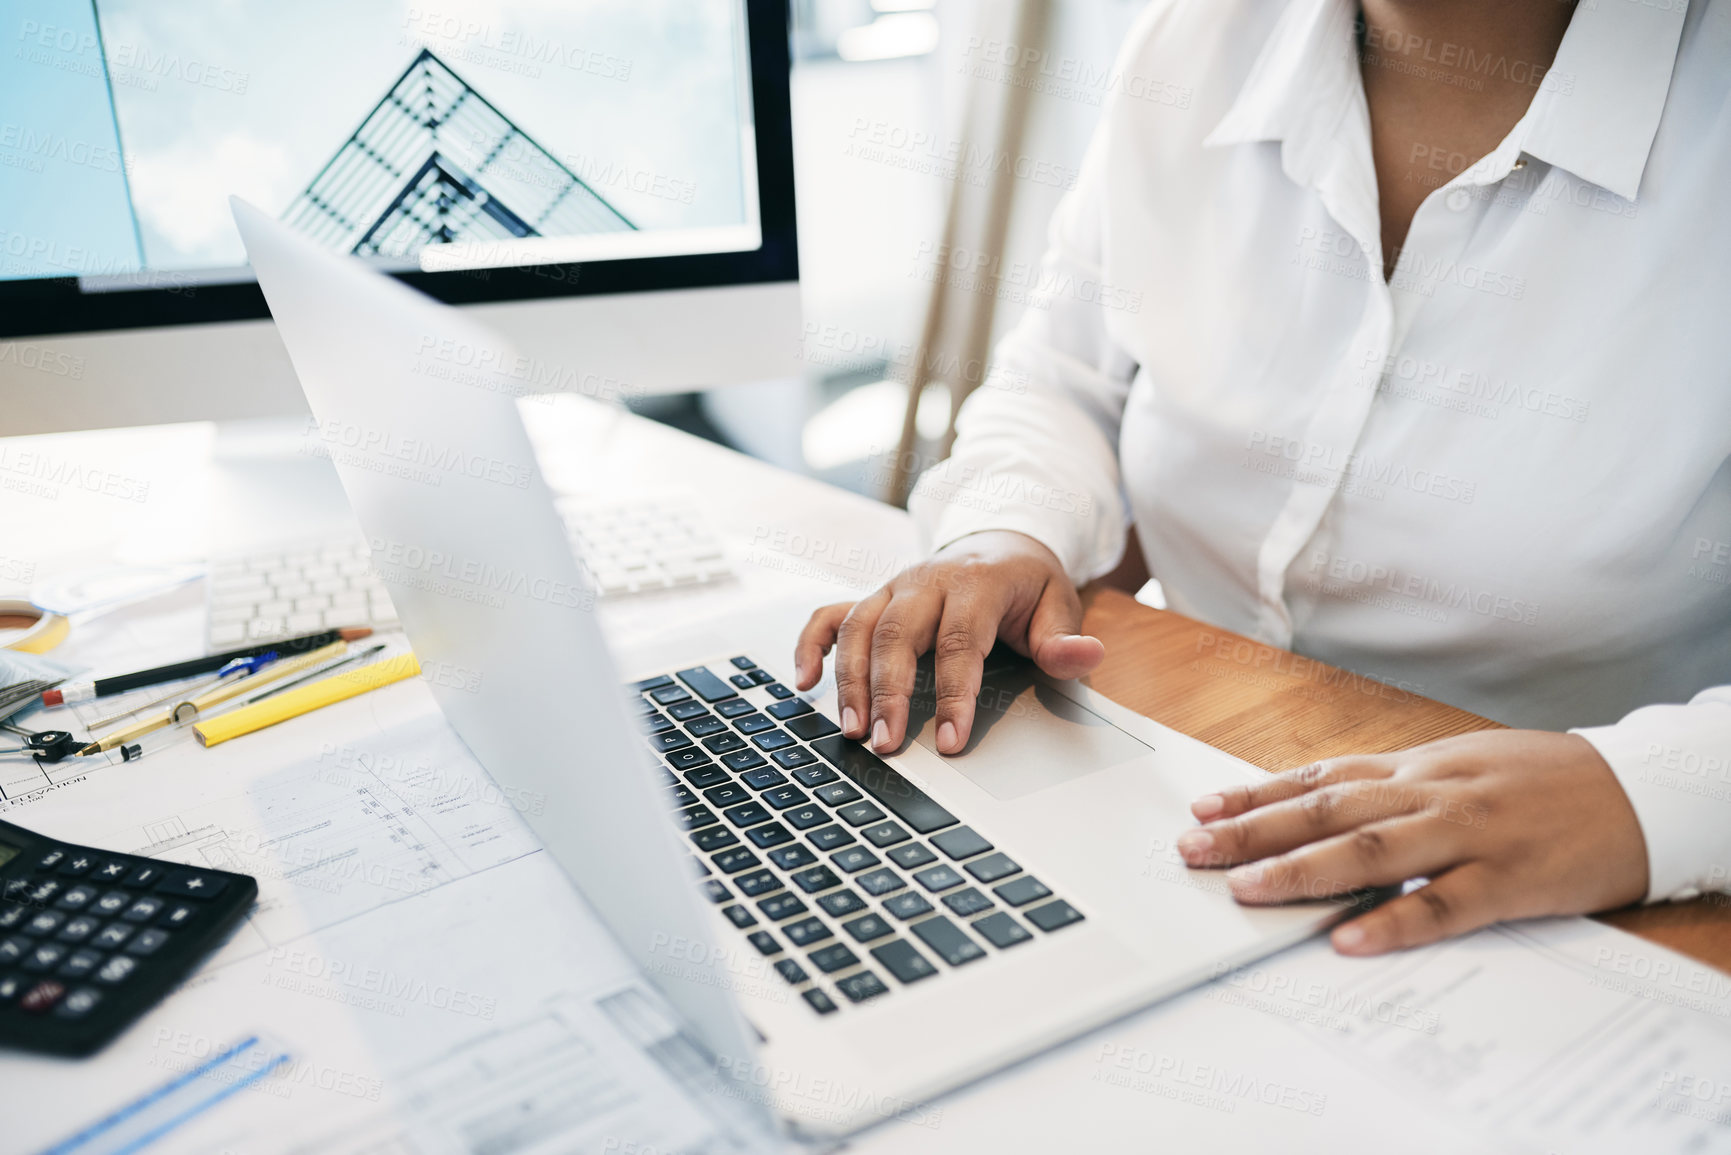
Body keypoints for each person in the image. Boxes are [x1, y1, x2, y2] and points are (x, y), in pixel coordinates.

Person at [793, 0, 1731, 956]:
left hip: (1574, 902)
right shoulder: (1195, 41)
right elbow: (1063, 378)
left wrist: (1646, 793)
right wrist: (1008, 527)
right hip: (1189, 787)